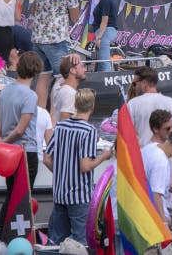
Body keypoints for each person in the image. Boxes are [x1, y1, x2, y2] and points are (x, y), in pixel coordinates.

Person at [44, 89, 113, 245]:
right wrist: (104, 156)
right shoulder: (89, 131)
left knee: (56, 241)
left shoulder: (60, 127)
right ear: (92, 107)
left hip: (60, 193)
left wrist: (62, 173)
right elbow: (85, 166)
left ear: (75, 105)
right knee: (82, 242)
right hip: (79, 196)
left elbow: (47, 159)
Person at [0, 51, 41, 189]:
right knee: (22, 200)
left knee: (11, 194)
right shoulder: (30, 95)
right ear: (36, 72)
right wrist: (3, 142)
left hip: (8, 152)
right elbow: (20, 130)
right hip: (25, 152)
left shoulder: (4, 91)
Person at [30, 0, 80, 109]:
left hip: (38, 37)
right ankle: (54, 118)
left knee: (43, 78)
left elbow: (33, 10)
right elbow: (75, 18)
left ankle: (40, 116)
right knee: (62, 79)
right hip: (56, 38)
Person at [127, 66, 172, 146]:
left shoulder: (132, 104)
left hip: (143, 155)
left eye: (134, 84)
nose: (134, 87)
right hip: (165, 155)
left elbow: (128, 135)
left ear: (144, 83)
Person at [92, 0, 119, 72]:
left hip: (105, 31)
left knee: (104, 62)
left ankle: (108, 84)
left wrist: (99, 37)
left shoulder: (106, 0)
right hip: (109, 30)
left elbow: (104, 21)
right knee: (101, 63)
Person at [52, 55, 87, 123]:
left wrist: (68, 58)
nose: (85, 70)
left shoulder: (58, 86)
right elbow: (65, 124)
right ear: (73, 70)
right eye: (82, 66)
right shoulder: (69, 94)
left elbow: (64, 72)